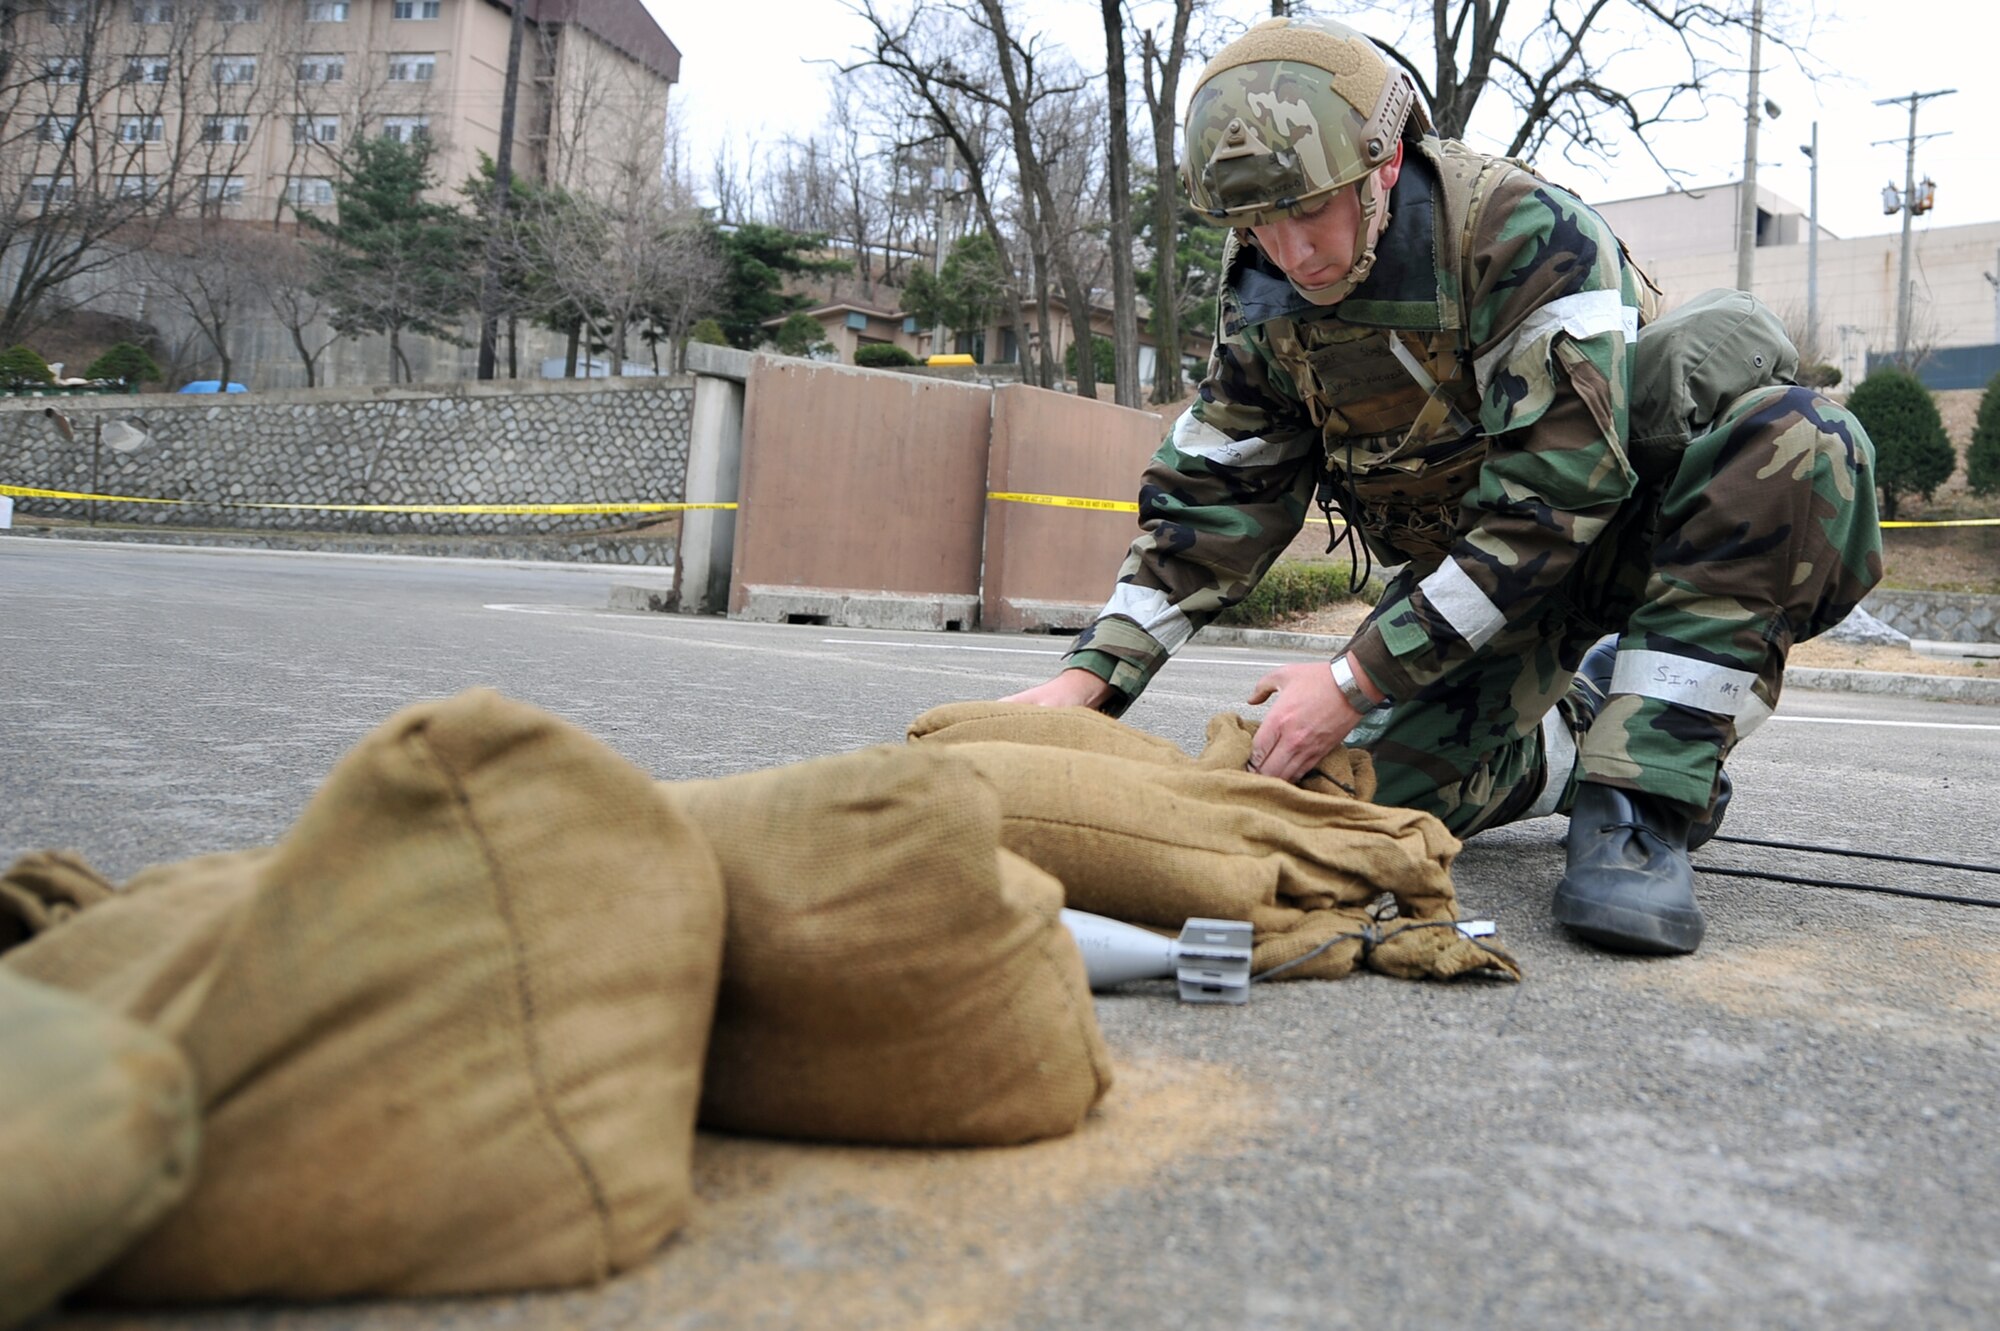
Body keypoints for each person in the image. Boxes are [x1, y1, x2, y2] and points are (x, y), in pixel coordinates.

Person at [1003, 15, 1882, 956]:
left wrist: (1352, 676)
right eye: (1259, 223)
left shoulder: (1525, 235)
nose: (1291, 251)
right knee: (1319, 812)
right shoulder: (1265, 296)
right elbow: (1214, 498)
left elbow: (1556, 503)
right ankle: (1584, 737)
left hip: (1631, 535)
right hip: (1481, 598)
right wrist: (1090, 677)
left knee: (1804, 441)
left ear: (1383, 165)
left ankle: (1643, 801)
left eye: (1310, 210)